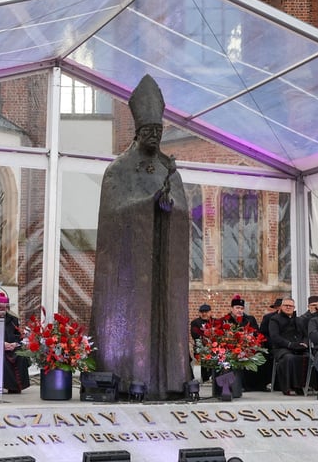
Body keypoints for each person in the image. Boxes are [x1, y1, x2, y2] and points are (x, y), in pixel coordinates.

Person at [91, 74, 191, 401]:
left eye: (159, 132)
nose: (155, 137)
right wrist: (147, 204)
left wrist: (167, 206)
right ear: (137, 132)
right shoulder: (118, 170)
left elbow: (182, 211)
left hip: (161, 263)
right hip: (128, 270)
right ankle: (127, 379)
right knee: (132, 322)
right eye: (149, 131)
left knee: (163, 315)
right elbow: (112, 212)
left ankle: (168, 381)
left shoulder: (167, 168)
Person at [266, 298, 310, 395]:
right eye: (286, 305)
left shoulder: (299, 320)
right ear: (281, 307)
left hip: (299, 348)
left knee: (307, 357)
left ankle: (303, 386)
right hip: (282, 348)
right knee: (289, 358)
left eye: (291, 306)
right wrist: (290, 344)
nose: (288, 307)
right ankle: (288, 387)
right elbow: (275, 337)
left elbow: (305, 335)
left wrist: (305, 343)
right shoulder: (274, 320)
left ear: (294, 308)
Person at [223, 295, 263, 391]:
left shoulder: (249, 319)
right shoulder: (226, 320)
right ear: (232, 309)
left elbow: (256, 333)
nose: (240, 310)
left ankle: (253, 385)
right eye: (237, 308)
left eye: (241, 308)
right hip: (231, 348)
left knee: (259, 356)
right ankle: (233, 385)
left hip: (247, 348)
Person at [0, 292, 30, 394]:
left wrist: (15, 344)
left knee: (21, 355)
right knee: (3, 359)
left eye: (4, 308)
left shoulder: (13, 319)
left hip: (11, 346)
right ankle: (6, 385)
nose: (2, 310)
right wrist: (2, 344)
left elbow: (18, 336)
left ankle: (16, 387)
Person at [190, 304, 213, 382]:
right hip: (201, 346)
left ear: (210, 312)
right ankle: (206, 378)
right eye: (202, 312)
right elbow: (195, 335)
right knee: (203, 353)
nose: (204, 314)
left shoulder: (215, 322)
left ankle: (213, 377)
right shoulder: (195, 322)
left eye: (206, 312)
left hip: (213, 345)